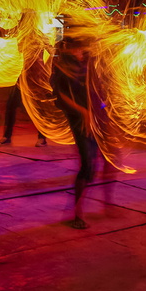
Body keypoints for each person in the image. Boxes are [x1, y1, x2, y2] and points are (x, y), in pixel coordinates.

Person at [51, 35, 95, 229]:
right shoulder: (63, 67)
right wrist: (82, 111)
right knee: (86, 163)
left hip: (92, 119)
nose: (82, 51)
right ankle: (77, 212)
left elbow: (94, 88)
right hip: (78, 119)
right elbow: (61, 97)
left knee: (92, 166)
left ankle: (79, 207)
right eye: (79, 47)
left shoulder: (85, 65)